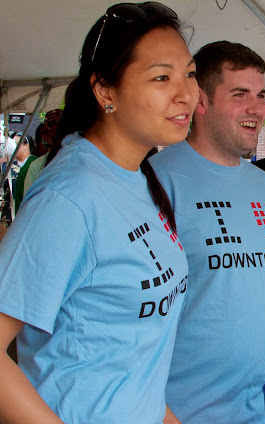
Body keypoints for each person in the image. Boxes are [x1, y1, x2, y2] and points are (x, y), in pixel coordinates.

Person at [0, 2, 197, 422]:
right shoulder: (69, 198)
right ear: (106, 90)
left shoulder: (139, 178)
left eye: (190, 73)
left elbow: (123, 353)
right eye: (162, 77)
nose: (186, 94)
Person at [149, 40, 265, 424]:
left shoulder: (264, 185)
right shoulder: (157, 181)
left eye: (261, 95)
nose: (258, 109)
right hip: (185, 411)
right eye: (240, 95)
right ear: (201, 100)